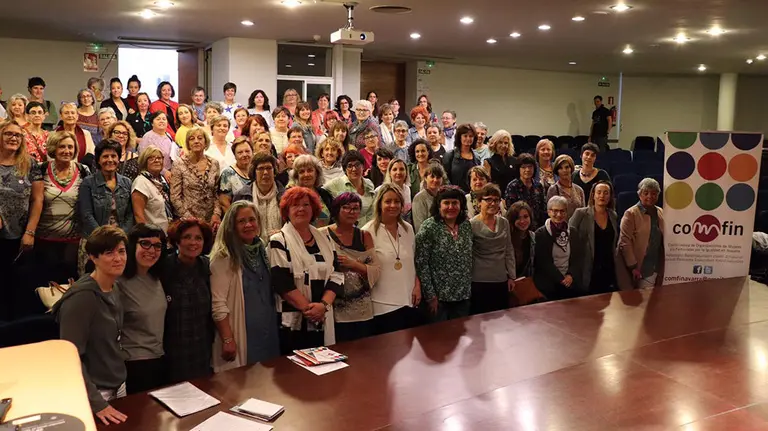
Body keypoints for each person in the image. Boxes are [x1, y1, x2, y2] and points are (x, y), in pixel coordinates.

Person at [52, 225, 129, 425]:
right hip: (96, 393)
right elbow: (70, 358)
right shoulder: (82, 298)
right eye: (109, 253)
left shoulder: (114, 286)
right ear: (93, 257)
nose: (118, 258)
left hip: (118, 384)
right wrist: (98, 403)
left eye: (121, 251)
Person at [268, 186, 344, 352]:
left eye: (306, 204)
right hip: (293, 322)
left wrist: (323, 305)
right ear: (286, 211)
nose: (301, 209)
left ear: (314, 209)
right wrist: (311, 311)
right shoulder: (279, 240)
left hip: (323, 315)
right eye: (295, 205)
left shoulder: (325, 238)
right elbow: (281, 282)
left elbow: (337, 274)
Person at [210, 201, 280, 372]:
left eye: (252, 219)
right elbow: (218, 304)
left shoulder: (262, 249)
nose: (248, 225)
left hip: (267, 331)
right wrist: (227, 339)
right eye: (241, 221)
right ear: (231, 226)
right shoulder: (223, 256)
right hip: (241, 335)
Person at [31, 131, 91, 284]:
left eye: (70, 147)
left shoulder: (83, 170)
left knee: (69, 285)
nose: (66, 151)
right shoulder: (41, 169)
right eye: (62, 147)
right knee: (44, 285)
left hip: (73, 241)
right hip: (44, 239)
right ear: (53, 148)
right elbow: (33, 200)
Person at [362, 183, 421, 334]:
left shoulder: (408, 228)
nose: (393, 205)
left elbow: (414, 261)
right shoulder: (367, 231)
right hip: (383, 303)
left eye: (397, 201)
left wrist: (417, 286)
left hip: (409, 299)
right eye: (388, 201)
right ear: (379, 204)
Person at [321, 193, 380, 342]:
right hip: (334, 308)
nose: (351, 212)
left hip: (362, 310)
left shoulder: (364, 236)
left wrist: (353, 264)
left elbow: (376, 270)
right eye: (346, 207)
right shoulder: (322, 234)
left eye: (355, 208)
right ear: (337, 210)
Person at [162, 218, 215, 384]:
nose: (193, 242)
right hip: (172, 351)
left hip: (202, 347)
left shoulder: (207, 266)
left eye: (198, 238)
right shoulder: (165, 267)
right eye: (187, 237)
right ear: (177, 241)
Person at [0, 120, 43, 321]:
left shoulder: (30, 163)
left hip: (19, 235)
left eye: (18, 135)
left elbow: (37, 199)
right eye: (8, 133)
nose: (13, 138)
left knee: (14, 285)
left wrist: (30, 232)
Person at [118, 224, 167, 394]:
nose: (152, 250)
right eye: (145, 243)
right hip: (133, 363)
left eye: (157, 245)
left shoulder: (157, 277)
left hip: (159, 358)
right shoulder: (119, 281)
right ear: (132, 245)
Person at [416, 186, 473, 321]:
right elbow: (421, 264)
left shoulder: (466, 225)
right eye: (446, 203)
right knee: (440, 334)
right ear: (438, 205)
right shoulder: (429, 227)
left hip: (463, 295)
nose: (451, 207)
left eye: (455, 203)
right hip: (438, 299)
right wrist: (430, 296)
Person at [470, 184, 516, 315]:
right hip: (479, 281)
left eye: (496, 200)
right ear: (479, 202)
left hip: (501, 279)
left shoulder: (504, 222)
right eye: (488, 199)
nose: (493, 203)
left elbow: (508, 249)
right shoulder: (471, 225)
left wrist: (511, 276)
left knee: (501, 318)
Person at [569, 181, 618, 294]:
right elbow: (569, 238)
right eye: (599, 192)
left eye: (606, 193)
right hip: (587, 268)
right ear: (593, 195)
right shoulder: (580, 214)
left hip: (607, 269)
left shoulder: (613, 215)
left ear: (610, 196)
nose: (602, 196)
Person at [617, 178, 665, 290]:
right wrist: (633, 267)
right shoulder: (631, 213)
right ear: (639, 194)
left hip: (656, 265)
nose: (650, 196)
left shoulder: (660, 211)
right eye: (646, 193)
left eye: (654, 193)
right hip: (638, 268)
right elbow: (625, 242)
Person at [534, 196, 583, 301]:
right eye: (555, 211)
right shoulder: (540, 234)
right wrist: (561, 279)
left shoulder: (573, 232)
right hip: (549, 284)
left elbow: (577, 258)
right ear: (548, 212)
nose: (559, 215)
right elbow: (543, 262)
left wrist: (570, 275)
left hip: (570, 282)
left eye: (562, 211)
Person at [171, 127, 222, 227]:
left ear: (206, 142)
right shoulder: (179, 164)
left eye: (200, 138)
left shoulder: (214, 163)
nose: (196, 141)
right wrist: (191, 220)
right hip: (187, 221)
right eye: (192, 139)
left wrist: (216, 214)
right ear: (188, 144)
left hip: (211, 221)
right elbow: (175, 197)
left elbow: (216, 193)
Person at [233, 153, 285, 242]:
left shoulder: (285, 196)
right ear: (254, 172)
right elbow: (234, 227)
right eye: (261, 169)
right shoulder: (242, 196)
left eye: (269, 168)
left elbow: (292, 225)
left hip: (281, 244)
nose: (265, 172)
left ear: (274, 171)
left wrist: (283, 232)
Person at [323, 150, 376, 226]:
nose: (354, 169)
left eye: (357, 165)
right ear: (345, 169)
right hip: (348, 230)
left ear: (363, 166)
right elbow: (319, 192)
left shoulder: (369, 183)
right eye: (350, 166)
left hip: (370, 228)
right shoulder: (336, 184)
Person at [131, 146, 172, 232]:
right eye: (151, 158)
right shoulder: (141, 183)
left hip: (167, 232)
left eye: (159, 158)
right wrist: (146, 236)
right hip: (152, 235)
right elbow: (139, 216)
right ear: (144, 162)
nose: (156, 160)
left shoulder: (162, 181)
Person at [504, 153, 547, 229]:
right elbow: (511, 212)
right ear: (518, 169)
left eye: (530, 167)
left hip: (537, 227)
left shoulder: (538, 186)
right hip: (519, 226)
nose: (527, 170)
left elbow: (543, 209)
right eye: (523, 167)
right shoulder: (512, 186)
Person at [290, 154, 334, 228]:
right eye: (301, 172)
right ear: (296, 176)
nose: (306, 174)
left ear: (317, 173)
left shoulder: (324, 194)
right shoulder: (292, 197)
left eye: (310, 170)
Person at [137, 111, 179, 181]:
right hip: (154, 175)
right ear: (152, 123)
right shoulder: (148, 137)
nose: (161, 121)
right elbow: (143, 159)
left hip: (170, 173)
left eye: (164, 119)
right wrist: (164, 172)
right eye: (158, 119)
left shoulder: (168, 135)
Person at [218, 137, 253, 214]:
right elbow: (224, 203)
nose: (244, 155)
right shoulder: (228, 173)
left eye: (247, 151)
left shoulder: (257, 171)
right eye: (240, 152)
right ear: (235, 155)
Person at [546, 154, 585, 220]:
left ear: (571, 168)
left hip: (578, 225)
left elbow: (583, 213)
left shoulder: (579, 189)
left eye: (567, 167)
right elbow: (550, 214)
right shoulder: (553, 189)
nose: (564, 170)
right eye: (560, 168)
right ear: (557, 171)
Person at [443, 123, 479, 193]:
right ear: (459, 137)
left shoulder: (477, 157)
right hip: (454, 194)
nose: (468, 138)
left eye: (471, 136)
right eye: (465, 136)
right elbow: (445, 178)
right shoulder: (449, 155)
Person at [411, 162, 445, 233]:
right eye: (432, 177)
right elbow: (419, 227)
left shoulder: (444, 196)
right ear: (425, 178)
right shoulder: (419, 198)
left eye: (438, 177)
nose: (435, 180)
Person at [507, 201, 536, 277]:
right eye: (518, 218)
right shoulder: (507, 238)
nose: (522, 221)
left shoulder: (533, 237)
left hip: (527, 280)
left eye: (525, 217)